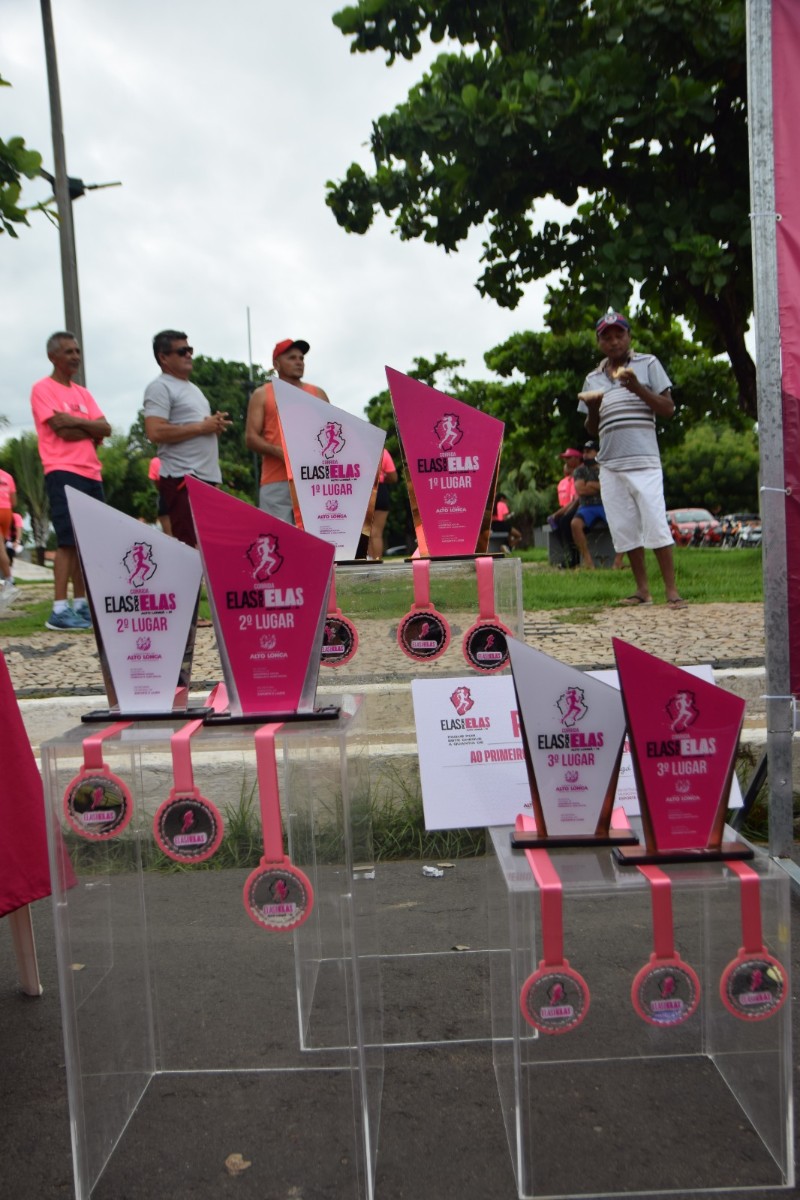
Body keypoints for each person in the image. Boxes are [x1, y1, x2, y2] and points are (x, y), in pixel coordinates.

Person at [578, 311, 688, 607]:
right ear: (599, 342)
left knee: (655, 522)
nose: (614, 342)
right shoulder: (592, 378)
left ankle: (672, 591)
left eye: (619, 335)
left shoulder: (648, 364)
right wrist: (594, 408)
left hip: (644, 459)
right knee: (625, 528)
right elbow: (591, 428)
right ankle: (643, 590)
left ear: (629, 337)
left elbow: (668, 408)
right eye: (607, 337)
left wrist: (637, 387)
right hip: (611, 464)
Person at [30, 332, 111, 630]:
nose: (75, 356)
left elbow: (106, 428)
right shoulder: (42, 389)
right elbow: (61, 431)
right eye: (68, 352)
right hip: (62, 470)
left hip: (91, 472)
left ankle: (81, 605)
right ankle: (58, 609)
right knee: (66, 541)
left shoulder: (82, 393)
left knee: (86, 543)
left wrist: (80, 424)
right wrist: (91, 430)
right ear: (53, 356)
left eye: (77, 351)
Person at [143, 331, 231, 547]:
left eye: (190, 350)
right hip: (183, 477)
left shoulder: (193, 389)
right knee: (188, 546)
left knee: (208, 545)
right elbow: (155, 432)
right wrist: (203, 426)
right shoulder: (160, 387)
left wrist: (213, 427)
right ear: (163, 357)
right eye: (182, 351)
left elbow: (195, 429)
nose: (189, 355)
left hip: (205, 477)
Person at [245, 338, 329, 523]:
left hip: (315, 478)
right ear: (276, 364)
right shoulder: (262, 394)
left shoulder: (318, 394)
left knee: (319, 540)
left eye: (301, 358)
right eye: (291, 358)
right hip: (276, 480)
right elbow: (250, 438)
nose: (299, 361)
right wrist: (279, 452)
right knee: (280, 542)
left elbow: (334, 431)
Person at [570, 441, 608, 569]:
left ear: (597, 453)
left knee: (625, 523)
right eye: (584, 452)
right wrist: (600, 486)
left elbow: (612, 488)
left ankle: (618, 561)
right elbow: (581, 490)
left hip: (607, 505)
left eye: (589, 452)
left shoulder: (606, 468)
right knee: (575, 524)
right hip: (587, 507)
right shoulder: (579, 470)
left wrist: (591, 484)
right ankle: (588, 561)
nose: (585, 455)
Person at [547, 449, 582, 567]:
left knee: (564, 521)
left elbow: (576, 500)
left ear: (577, 459)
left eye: (568, 458)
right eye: (565, 459)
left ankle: (574, 555)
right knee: (555, 520)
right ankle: (567, 551)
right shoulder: (569, 478)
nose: (566, 462)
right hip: (572, 507)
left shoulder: (580, 473)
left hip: (582, 506)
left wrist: (560, 513)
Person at [369, 446, 399, 559]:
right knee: (376, 534)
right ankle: (376, 561)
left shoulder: (356, 449)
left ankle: (369, 561)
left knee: (365, 533)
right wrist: (383, 477)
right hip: (380, 490)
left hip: (362, 490)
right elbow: (393, 477)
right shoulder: (383, 451)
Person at [0, 467, 19, 604]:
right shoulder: (7, 476)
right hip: (7, 512)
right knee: (0, 546)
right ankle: (7, 580)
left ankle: (8, 580)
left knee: (0, 549)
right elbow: (14, 502)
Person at [147, 455, 172, 536]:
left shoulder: (156, 461)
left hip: (165, 497)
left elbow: (158, 485)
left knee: (169, 536)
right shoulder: (187, 458)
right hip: (184, 497)